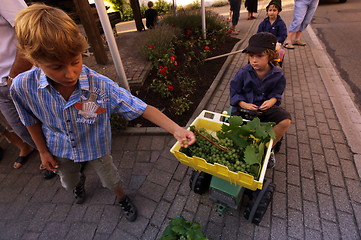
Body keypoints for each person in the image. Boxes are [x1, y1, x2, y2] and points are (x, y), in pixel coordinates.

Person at [11, 4, 195, 222]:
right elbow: (29, 120)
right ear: (35, 61)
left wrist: (175, 129)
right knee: (68, 181)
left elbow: (140, 107)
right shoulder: (22, 87)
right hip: (59, 148)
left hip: (96, 146)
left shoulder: (100, 86)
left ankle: (122, 197)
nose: (70, 74)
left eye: (75, 62)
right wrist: (42, 151)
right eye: (56, 67)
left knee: (111, 180)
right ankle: (78, 184)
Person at [230, 32, 291, 168]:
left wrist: (272, 101)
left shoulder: (278, 75)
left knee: (285, 120)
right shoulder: (243, 73)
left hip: (264, 109)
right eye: (251, 56)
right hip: (245, 109)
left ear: (270, 55)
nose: (254, 60)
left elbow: (277, 93)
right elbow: (234, 92)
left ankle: (267, 149)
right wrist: (242, 103)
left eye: (259, 56)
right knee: (236, 133)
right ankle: (244, 149)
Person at [0, 0, 36, 169]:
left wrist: (14, 76)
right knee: (24, 132)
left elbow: (30, 30)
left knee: (47, 127)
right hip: (2, 86)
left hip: (19, 78)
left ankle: (69, 165)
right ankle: (54, 161)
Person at [257, 0, 287, 66]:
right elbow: (259, 33)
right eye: (270, 10)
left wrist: (277, 41)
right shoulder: (264, 23)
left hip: (275, 43)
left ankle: (276, 64)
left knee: (277, 48)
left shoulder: (280, 23)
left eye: (274, 10)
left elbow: (283, 35)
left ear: (278, 12)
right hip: (264, 42)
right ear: (267, 12)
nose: (272, 12)